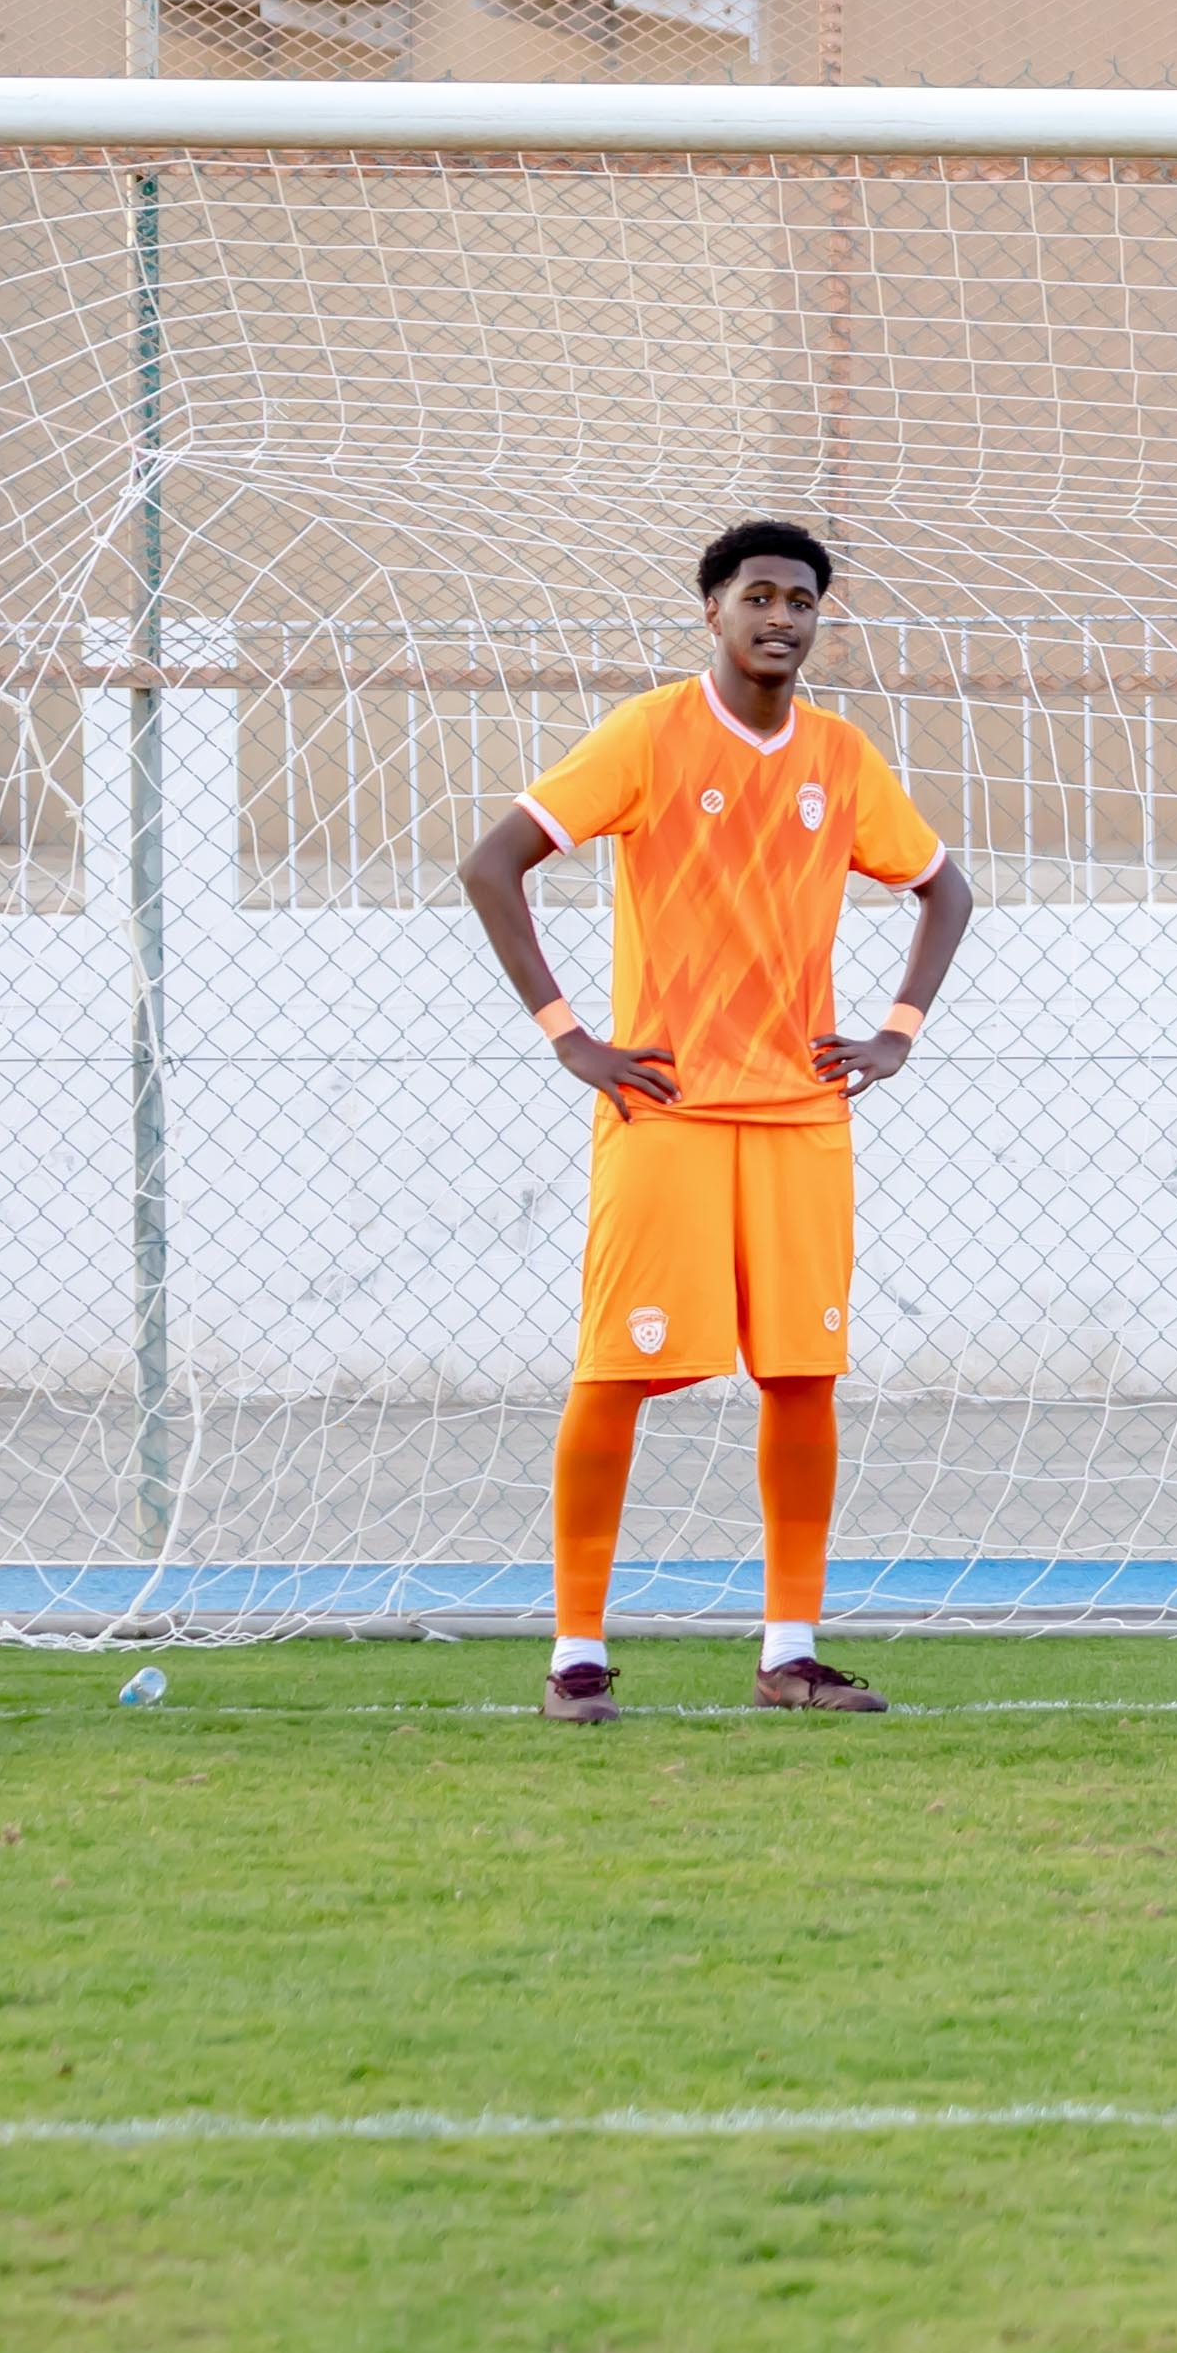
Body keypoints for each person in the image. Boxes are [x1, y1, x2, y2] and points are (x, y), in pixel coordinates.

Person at [457, 519, 974, 1723]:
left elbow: (945, 890)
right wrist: (570, 1037)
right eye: (759, 597)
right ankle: (575, 1657)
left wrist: (896, 1029)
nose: (781, 619)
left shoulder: (840, 756)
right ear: (712, 612)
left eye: (801, 602)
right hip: (669, 1111)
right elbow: (492, 865)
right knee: (616, 1374)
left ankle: (788, 1654)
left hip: (800, 1118)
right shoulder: (648, 734)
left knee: (802, 1376)